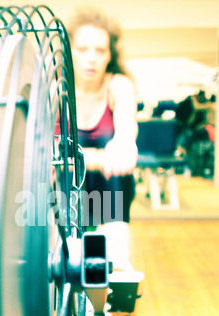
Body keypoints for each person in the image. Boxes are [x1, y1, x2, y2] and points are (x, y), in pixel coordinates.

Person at [68, 10, 138, 270]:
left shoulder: (118, 85)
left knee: (117, 172)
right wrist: (98, 158)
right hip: (66, 190)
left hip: (110, 191)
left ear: (110, 55)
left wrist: (124, 144)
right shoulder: (56, 90)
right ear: (69, 51)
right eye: (82, 48)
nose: (91, 58)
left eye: (100, 50)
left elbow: (126, 134)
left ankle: (116, 258)